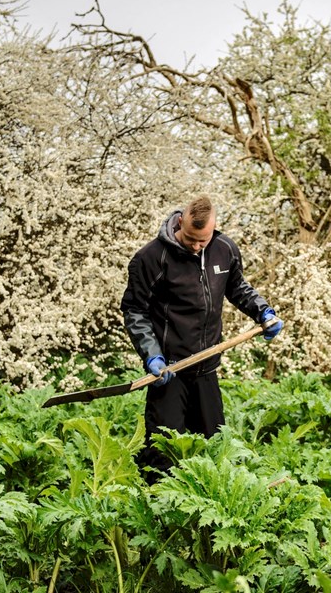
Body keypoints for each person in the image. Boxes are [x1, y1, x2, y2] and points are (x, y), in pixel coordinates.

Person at [121, 195, 283, 482]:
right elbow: (135, 310)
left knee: (214, 450)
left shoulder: (224, 250)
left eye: (202, 241)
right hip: (169, 371)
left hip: (206, 368)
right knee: (163, 454)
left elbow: (238, 288)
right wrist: (152, 355)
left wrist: (263, 312)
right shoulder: (151, 258)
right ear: (180, 222)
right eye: (191, 239)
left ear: (214, 227)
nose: (196, 246)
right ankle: (155, 515)